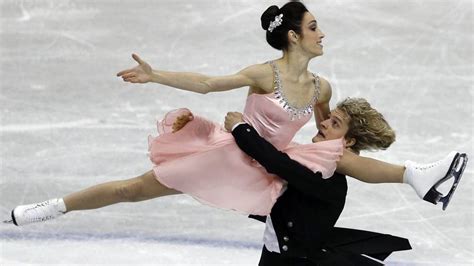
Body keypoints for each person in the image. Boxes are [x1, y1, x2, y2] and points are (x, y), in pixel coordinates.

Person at [6, 1, 467, 226]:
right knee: (132, 189)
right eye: (312, 27)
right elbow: (208, 84)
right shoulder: (264, 74)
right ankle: (54, 206)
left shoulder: (323, 87)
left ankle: (414, 175)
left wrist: (352, 139)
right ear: (291, 37)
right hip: (234, 155)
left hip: (272, 165)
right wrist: (155, 75)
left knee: (337, 160)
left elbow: (327, 142)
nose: (322, 33)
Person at [224, 97, 412, 265]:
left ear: (349, 142)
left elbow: (275, 162)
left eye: (335, 123)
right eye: (328, 117)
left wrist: (240, 128)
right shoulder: (312, 162)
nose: (323, 123)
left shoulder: (327, 180)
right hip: (276, 254)